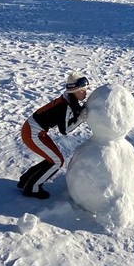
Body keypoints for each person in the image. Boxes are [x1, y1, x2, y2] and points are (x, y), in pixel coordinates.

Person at [18, 71, 90, 199]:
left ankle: (25, 180)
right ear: (74, 91)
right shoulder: (64, 106)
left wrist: (80, 114)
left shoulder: (68, 100)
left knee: (54, 158)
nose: (85, 93)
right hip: (31, 133)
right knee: (57, 161)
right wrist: (80, 119)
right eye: (82, 91)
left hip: (36, 131)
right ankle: (32, 188)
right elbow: (65, 130)